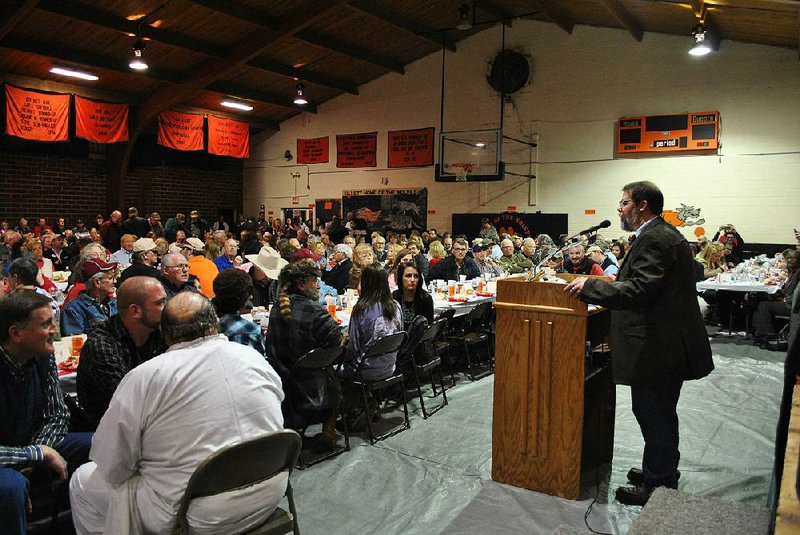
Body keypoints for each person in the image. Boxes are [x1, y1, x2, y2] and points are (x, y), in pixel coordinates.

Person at [69, 292, 286, 534]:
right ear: (214, 323)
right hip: (270, 491)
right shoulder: (252, 358)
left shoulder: (145, 377)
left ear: (165, 333)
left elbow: (112, 463)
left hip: (197, 514)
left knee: (81, 480)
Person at [564, 181, 713, 506]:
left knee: (655, 413)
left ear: (642, 205)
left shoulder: (656, 238)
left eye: (624, 203)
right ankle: (657, 470)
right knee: (655, 412)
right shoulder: (657, 234)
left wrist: (591, 287)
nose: (619, 209)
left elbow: (640, 291)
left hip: (660, 347)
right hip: (664, 343)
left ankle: (659, 483)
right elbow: (645, 283)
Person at [0, 290, 93, 534]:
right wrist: (35, 454)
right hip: (5, 457)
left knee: (97, 443)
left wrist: (42, 450)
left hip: (31, 446)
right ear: (16, 333)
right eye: (45, 324)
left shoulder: (42, 356)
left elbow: (57, 415)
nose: (55, 329)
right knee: (11, 487)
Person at [265, 259, 343, 440]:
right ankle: (329, 427)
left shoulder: (278, 306)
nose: (318, 286)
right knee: (336, 372)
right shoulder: (316, 311)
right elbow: (335, 345)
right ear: (301, 285)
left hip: (281, 379)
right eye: (314, 282)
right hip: (311, 386)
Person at [76, 277, 166, 427]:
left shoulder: (158, 333)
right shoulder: (101, 344)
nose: (167, 308)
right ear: (135, 310)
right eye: (160, 303)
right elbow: (129, 401)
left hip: (150, 420)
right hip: (111, 429)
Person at [340, 264, 403, 382]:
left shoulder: (361, 310)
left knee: (331, 368)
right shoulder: (395, 306)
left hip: (365, 370)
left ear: (365, 283)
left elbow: (353, 347)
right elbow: (398, 336)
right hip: (390, 366)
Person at [212, 268, 266, 356]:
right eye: (249, 294)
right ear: (243, 298)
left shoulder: (199, 314)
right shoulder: (249, 331)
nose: (251, 297)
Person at [62, 258, 119, 336]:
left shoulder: (115, 303)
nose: (115, 281)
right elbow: (76, 342)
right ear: (97, 282)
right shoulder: (74, 309)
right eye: (110, 278)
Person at [392, 261, 434, 328]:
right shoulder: (394, 297)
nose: (412, 280)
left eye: (416, 276)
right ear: (400, 278)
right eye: (408, 276)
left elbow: (429, 327)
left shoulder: (425, 298)